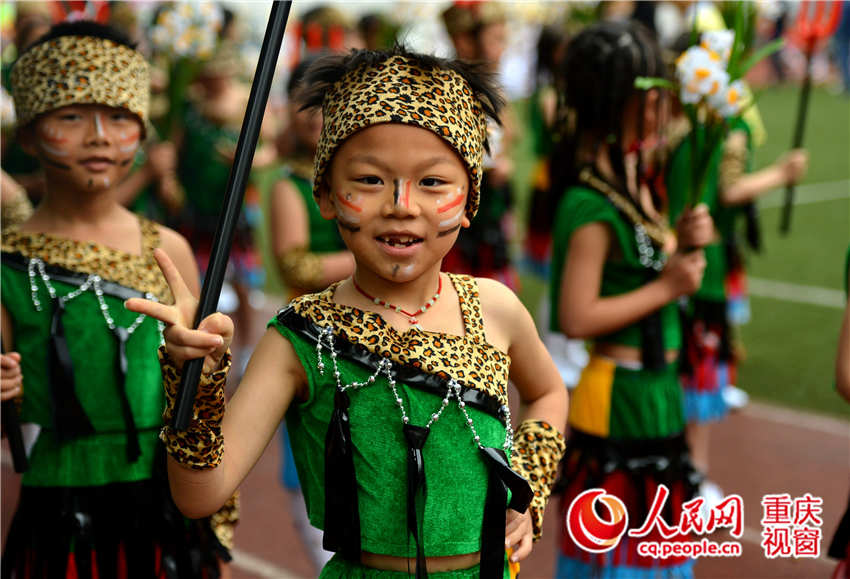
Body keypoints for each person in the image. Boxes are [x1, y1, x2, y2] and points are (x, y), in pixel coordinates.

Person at [126, 46, 568, 578]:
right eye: (370, 180)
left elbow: (547, 391)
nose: (402, 204)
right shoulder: (298, 339)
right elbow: (201, 495)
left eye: (432, 182)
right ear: (326, 195)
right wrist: (191, 380)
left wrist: (530, 487)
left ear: (470, 198)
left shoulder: (496, 307)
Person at [0, 21, 235, 578]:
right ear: (29, 135)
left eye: (121, 118)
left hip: (166, 494)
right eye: (72, 116)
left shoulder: (168, 247)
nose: (101, 136)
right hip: (60, 499)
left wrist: (204, 360)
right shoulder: (7, 262)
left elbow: (207, 395)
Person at [548, 21, 714, 578]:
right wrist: (667, 286)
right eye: (647, 99)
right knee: (620, 560)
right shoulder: (590, 202)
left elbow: (649, 272)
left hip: (656, 391)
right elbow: (575, 317)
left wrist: (684, 246)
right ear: (612, 103)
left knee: (659, 555)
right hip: (617, 396)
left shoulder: (639, 184)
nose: (661, 110)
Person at [666, 98, 808, 507]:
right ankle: (693, 477)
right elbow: (728, 191)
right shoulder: (714, 134)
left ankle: (684, 473)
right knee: (696, 377)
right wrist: (781, 173)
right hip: (701, 271)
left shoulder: (676, 134)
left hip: (678, 261)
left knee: (680, 373)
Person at [268, 56, 355, 572]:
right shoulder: (290, 184)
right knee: (319, 475)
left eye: (326, 104)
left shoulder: (364, 176)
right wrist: (375, 255)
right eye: (306, 104)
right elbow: (295, 264)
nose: (314, 117)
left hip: (373, 333)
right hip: (314, 341)